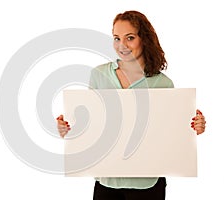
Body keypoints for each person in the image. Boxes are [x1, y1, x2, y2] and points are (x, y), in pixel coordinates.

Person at [56, 10, 206, 200]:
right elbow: (90, 126)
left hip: (148, 184)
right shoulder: (99, 75)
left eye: (130, 38)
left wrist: (194, 127)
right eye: (116, 38)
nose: (122, 45)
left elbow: (171, 134)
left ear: (144, 39)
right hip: (107, 182)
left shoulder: (162, 83)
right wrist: (68, 129)